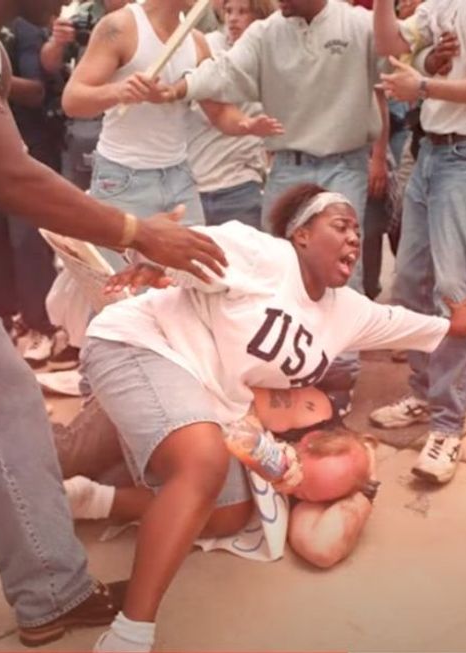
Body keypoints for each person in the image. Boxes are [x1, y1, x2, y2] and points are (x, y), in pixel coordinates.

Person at [0, 0, 229, 645]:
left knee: (6, 417)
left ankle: (52, 592)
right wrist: (136, 231)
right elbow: (7, 178)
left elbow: (12, 166)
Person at [79, 183, 466, 651]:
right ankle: (132, 634)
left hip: (201, 395)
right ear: (301, 235)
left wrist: (452, 326)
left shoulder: (345, 311)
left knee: (227, 515)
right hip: (142, 345)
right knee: (200, 464)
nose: (355, 238)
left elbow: (397, 322)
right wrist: (157, 258)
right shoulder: (263, 256)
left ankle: (93, 499)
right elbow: (193, 249)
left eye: (359, 230)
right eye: (341, 226)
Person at [168, 0, 393, 410]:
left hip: (344, 165)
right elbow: (222, 74)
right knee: (279, 278)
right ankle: (291, 375)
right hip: (287, 166)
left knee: (340, 275)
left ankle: (338, 381)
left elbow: (396, 64)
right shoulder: (266, 33)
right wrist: (177, 87)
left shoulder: (358, 25)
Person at [367, 0, 466, 484]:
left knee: (456, 292)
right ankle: (424, 392)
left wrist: (424, 85)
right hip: (433, 149)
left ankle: (448, 425)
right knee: (412, 283)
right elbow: (391, 43)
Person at [53, 386, 380, 570]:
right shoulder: (306, 411)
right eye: (304, 480)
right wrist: (256, 442)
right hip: (157, 403)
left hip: (162, 458)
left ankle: (91, 498)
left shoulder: (324, 484)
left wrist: (365, 486)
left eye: (309, 498)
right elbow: (219, 397)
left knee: (226, 509)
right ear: (308, 443)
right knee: (62, 457)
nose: (297, 491)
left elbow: (320, 549)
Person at [61, 0, 281, 228]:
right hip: (122, 174)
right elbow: (72, 100)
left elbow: (219, 112)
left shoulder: (196, 42)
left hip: (179, 175)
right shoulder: (121, 26)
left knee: (193, 262)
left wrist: (247, 125)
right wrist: (118, 91)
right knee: (121, 263)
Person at [0, 17, 63, 365]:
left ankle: (42, 326)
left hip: (31, 147)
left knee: (27, 242)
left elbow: (35, 90)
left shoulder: (24, 28)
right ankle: (6, 322)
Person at [185, 0, 277, 229]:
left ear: (260, 17)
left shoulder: (272, 57)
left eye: (242, 12)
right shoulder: (206, 47)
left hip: (241, 184)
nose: (233, 18)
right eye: (228, 11)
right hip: (193, 183)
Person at [40, 0, 132, 191]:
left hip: (133, 122)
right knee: (79, 195)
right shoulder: (85, 13)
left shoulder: (148, 13)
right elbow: (49, 64)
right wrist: (57, 41)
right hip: (89, 121)